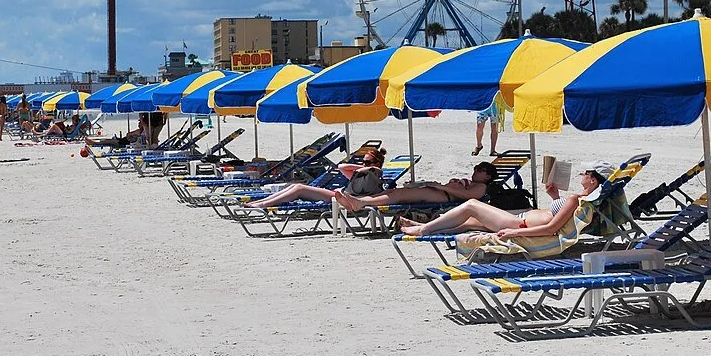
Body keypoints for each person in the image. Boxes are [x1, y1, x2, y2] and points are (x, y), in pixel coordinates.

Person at [397, 161, 614, 238]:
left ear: (593, 179)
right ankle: (426, 226)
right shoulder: (587, 200)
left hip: (519, 223)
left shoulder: (577, 199)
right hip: (520, 218)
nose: (582, 176)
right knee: (469, 223)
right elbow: (560, 218)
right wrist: (555, 197)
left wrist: (515, 232)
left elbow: (551, 228)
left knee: (472, 205)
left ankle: (422, 230)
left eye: (585, 174)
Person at [244, 147, 387, 209]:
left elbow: (376, 170)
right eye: (363, 161)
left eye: (367, 162)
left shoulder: (376, 174)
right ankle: (262, 201)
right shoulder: (361, 172)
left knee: (299, 188)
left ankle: (262, 205)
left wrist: (367, 167)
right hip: (338, 195)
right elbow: (342, 167)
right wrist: (361, 167)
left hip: (342, 199)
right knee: (294, 186)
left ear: (376, 163)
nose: (363, 164)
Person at [334, 162, 498, 212]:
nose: (475, 171)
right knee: (394, 191)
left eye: (480, 170)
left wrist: (442, 187)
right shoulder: (473, 182)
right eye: (475, 168)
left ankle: (361, 203)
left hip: (443, 197)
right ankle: (357, 201)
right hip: (438, 192)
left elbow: (467, 197)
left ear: (487, 176)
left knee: (399, 195)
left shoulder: (481, 187)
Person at [472, 92, 506, 156]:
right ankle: (479, 145)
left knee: (494, 128)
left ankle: (492, 150)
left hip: (495, 106)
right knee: (479, 126)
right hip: (483, 105)